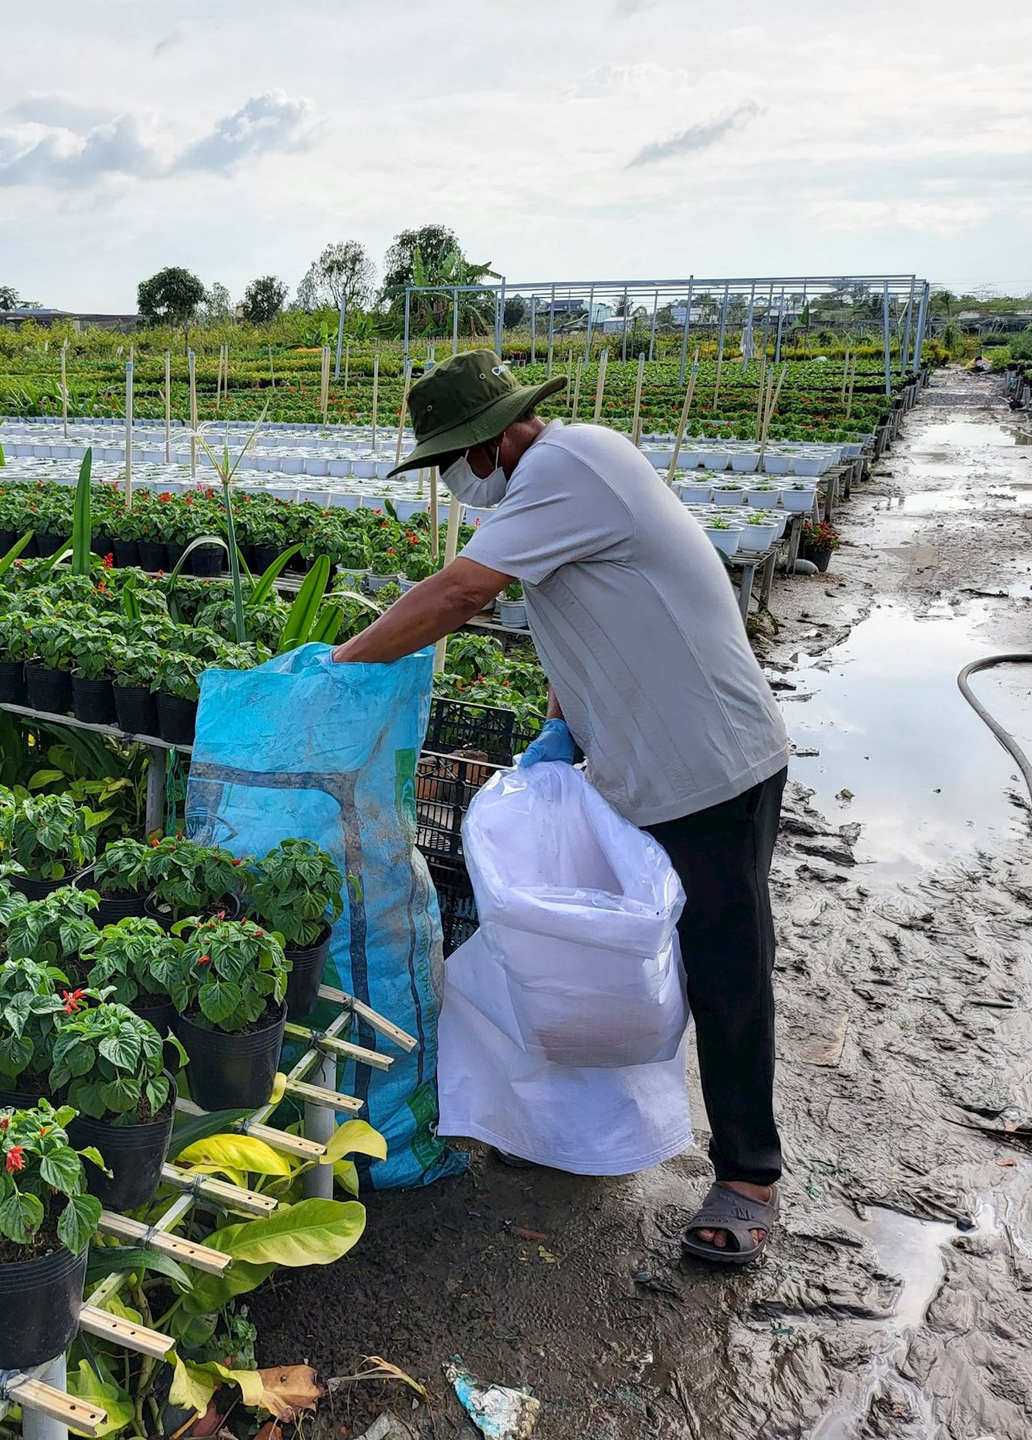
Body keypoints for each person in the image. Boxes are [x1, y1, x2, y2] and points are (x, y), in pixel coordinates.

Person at [331, 350, 790, 1264]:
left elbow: (462, 592)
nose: (454, 480)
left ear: (498, 436)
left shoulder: (568, 464)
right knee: (590, 952)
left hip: (711, 766)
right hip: (633, 765)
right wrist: (559, 733)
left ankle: (750, 1175)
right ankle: (583, 1126)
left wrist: (339, 667)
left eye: (455, 458)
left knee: (725, 967)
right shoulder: (549, 485)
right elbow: (582, 625)